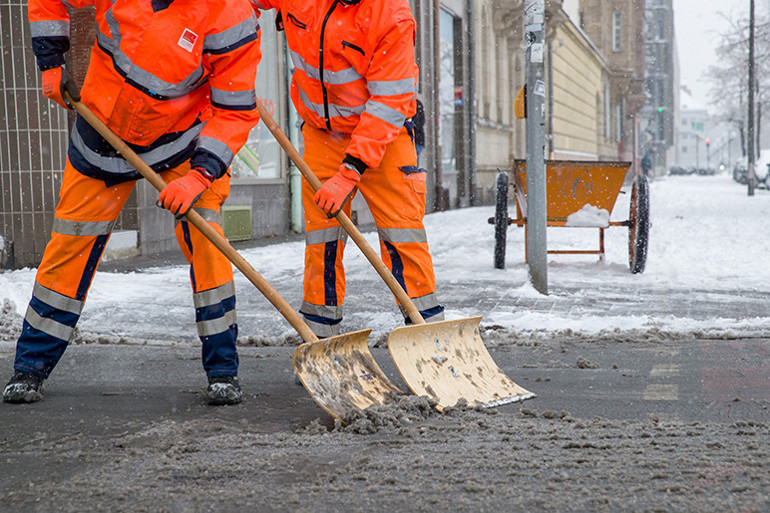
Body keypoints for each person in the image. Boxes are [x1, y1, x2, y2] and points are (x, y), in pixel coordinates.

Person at [2, 0, 262, 405]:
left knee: (207, 242)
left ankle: (223, 371)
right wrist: (51, 59)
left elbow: (234, 111)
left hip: (181, 142)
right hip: (102, 127)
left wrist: (200, 175)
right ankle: (30, 366)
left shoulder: (228, 14)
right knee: (71, 242)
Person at [249, 0, 444, 338]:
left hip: (386, 134)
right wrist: (224, 36)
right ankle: (320, 337)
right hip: (322, 134)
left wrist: (349, 171)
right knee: (323, 238)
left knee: (402, 235)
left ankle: (428, 335)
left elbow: (387, 103)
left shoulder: (392, 16)